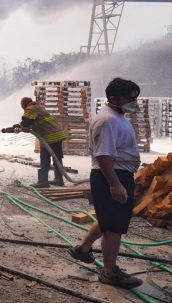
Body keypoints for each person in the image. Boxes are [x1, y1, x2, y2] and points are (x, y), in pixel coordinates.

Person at [69, 77, 143, 289]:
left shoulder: (117, 115)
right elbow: (103, 157)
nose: (133, 101)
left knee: (107, 220)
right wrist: (115, 184)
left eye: (135, 97)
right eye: (129, 98)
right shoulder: (107, 121)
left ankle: (83, 249)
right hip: (112, 176)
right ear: (113, 98)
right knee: (114, 228)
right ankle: (109, 273)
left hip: (118, 174)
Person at [15, 97, 67, 188]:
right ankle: (59, 179)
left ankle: (43, 181)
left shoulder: (30, 109)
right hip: (57, 135)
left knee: (44, 158)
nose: (21, 106)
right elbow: (29, 120)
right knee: (57, 159)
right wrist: (18, 125)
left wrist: (22, 128)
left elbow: (26, 122)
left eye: (21, 104)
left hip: (49, 137)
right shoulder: (38, 107)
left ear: (24, 104)